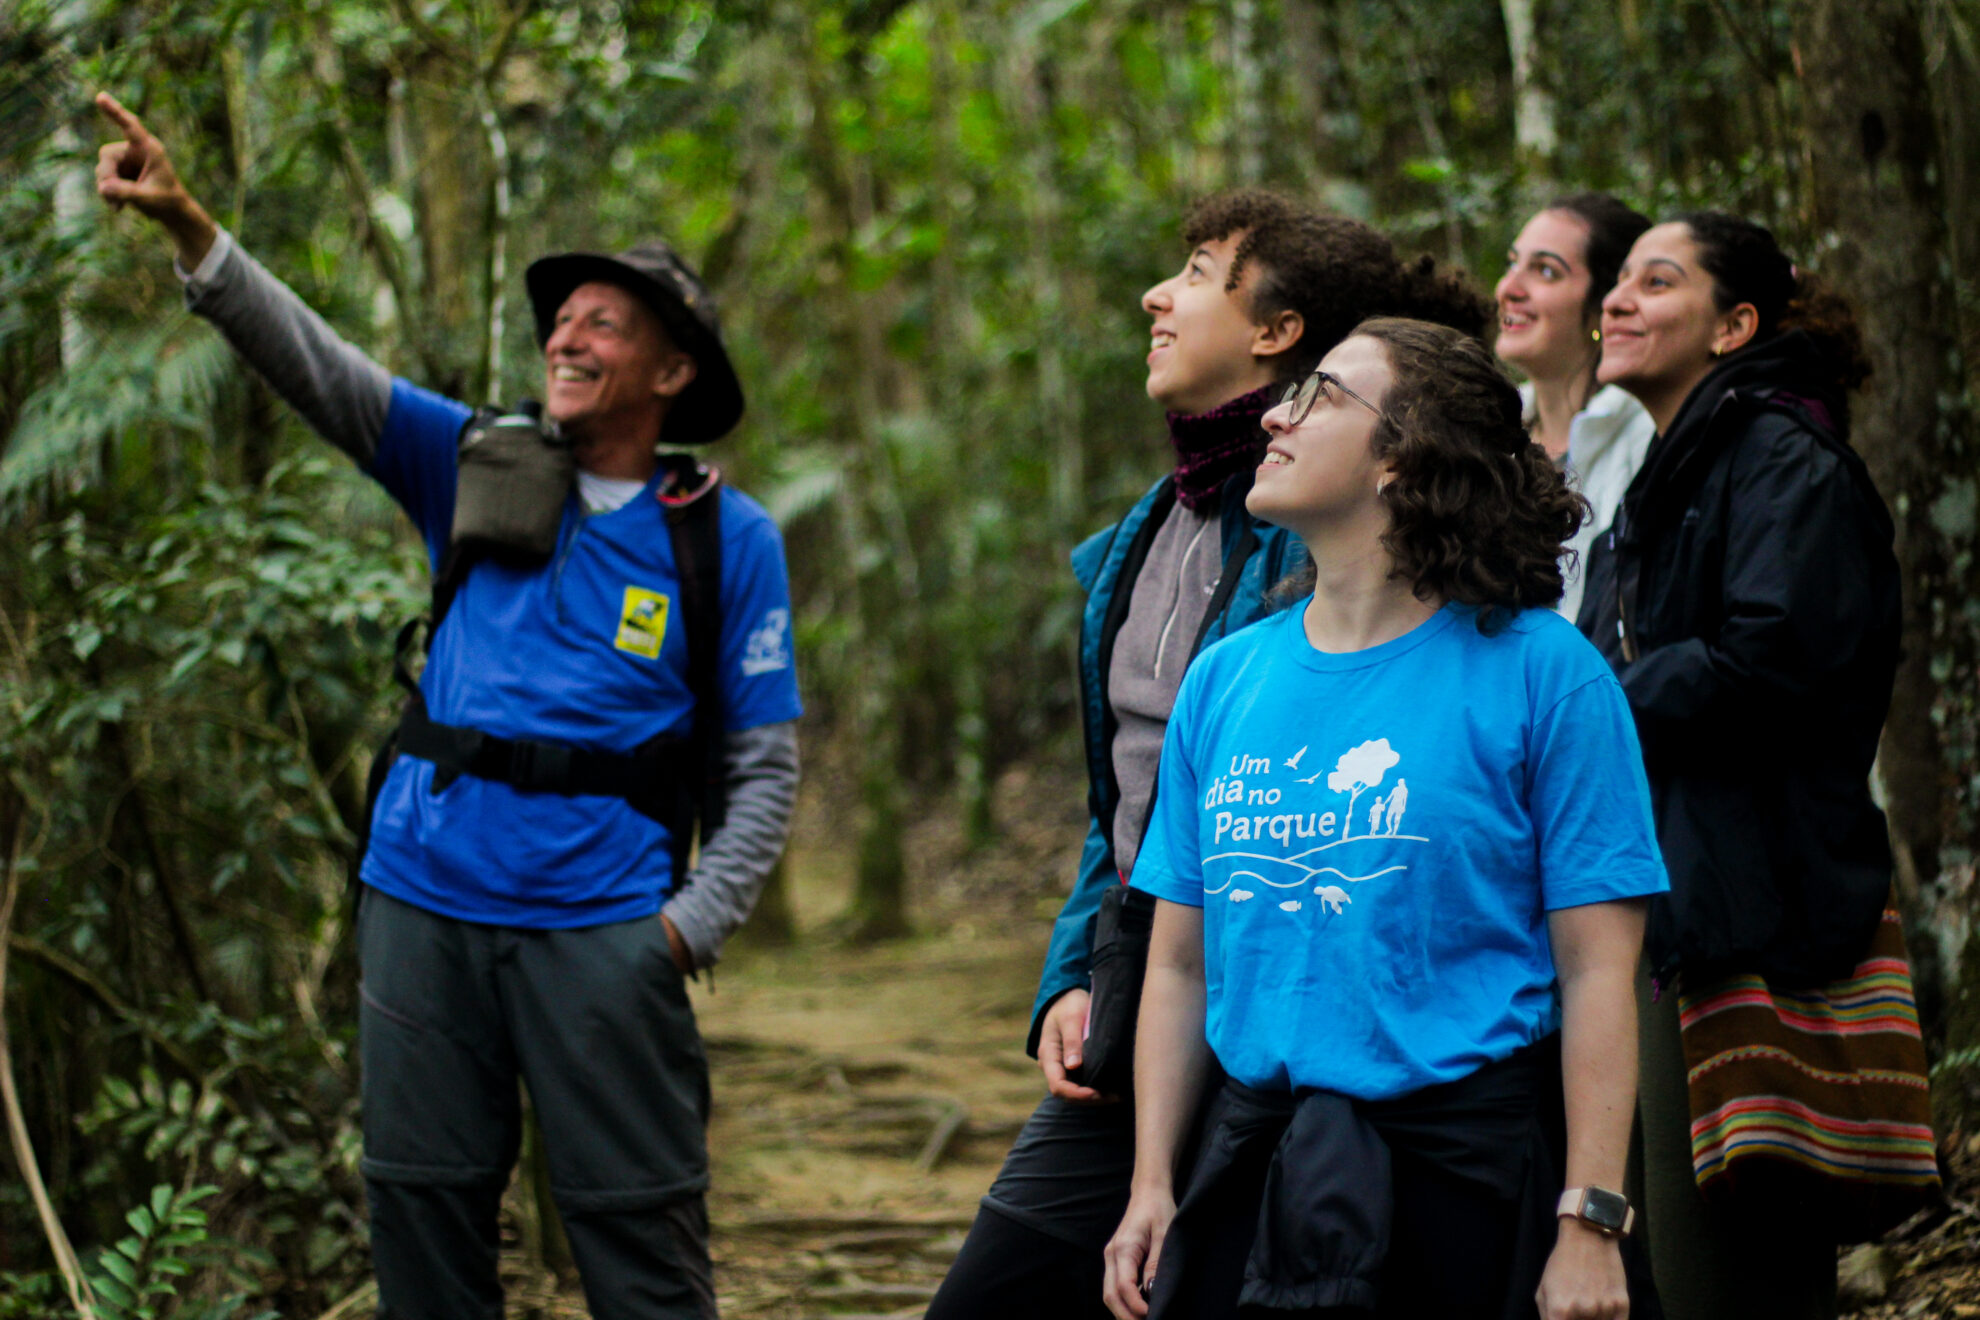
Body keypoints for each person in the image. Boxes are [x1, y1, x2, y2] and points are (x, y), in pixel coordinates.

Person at [93, 92, 802, 1320]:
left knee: (641, 1242)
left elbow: (767, 767)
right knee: (420, 1221)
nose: (567, 339)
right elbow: (316, 365)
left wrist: (682, 932)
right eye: (562, 320)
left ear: (673, 372)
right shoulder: (474, 461)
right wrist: (193, 231)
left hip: (605, 931)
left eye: (605, 325)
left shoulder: (724, 542)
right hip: (421, 901)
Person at [925, 194, 1492, 1319]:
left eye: (1194, 272)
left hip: (1282, 974)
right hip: (1153, 961)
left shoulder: (1320, 535)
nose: (1156, 295)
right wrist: (1074, 970)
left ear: (1277, 332)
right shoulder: (1149, 527)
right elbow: (1133, 795)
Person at [1102, 319, 1668, 1320]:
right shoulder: (1225, 680)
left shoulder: (1547, 674)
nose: (1275, 412)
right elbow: (1180, 965)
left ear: (1403, 457)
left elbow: (1598, 970)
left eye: (1319, 396)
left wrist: (1591, 1221)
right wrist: (1153, 1184)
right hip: (1253, 1170)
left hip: (1469, 1182)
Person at [1582, 213, 1900, 1320]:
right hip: (1667, 898)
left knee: (1732, 1271)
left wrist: (1592, 707)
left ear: (1735, 326)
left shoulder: (1781, 457)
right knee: (1662, 1263)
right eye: (1615, 282)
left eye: (1654, 283)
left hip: (1754, 914)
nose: (1616, 300)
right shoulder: (1675, 475)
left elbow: (1769, 660)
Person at [1495, 193, 1655, 621]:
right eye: (1513, 264)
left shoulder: (1647, 435)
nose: (1508, 289)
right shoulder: (1486, 427)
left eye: (1545, 271)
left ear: (1608, 300)